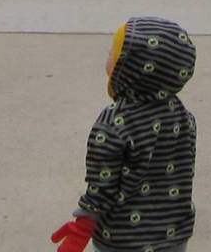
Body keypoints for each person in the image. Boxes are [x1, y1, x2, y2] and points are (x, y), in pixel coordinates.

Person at [50, 16, 197, 252]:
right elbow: (183, 171)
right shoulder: (183, 115)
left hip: (121, 238)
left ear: (130, 68)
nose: (108, 55)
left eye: (113, 52)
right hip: (174, 234)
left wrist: (84, 225)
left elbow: (102, 182)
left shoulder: (114, 122)